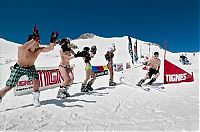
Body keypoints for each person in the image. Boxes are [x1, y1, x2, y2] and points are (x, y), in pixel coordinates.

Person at [0, 25, 58, 107]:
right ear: (32, 41)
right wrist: (34, 38)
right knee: (8, 87)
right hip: (19, 68)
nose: (39, 42)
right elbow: (24, 46)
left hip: (30, 67)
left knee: (36, 80)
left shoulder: (38, 50)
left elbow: (50, 48)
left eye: (39, 40)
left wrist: (53, 40)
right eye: (38, 40)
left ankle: (36, 99)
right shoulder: (22, 49)